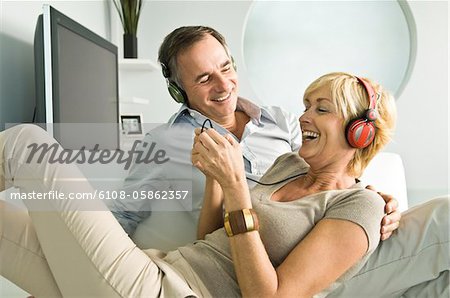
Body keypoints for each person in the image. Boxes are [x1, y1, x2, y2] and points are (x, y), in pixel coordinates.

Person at [0, 73, 447, 297]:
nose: (305, 117)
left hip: (170, 293)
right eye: (306, 105)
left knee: (26, 144)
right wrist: (216, 180)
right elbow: (211, 238)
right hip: (157, 268)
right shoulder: (289, 164)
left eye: (322, 109)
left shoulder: (360, 207)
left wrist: (236, 187)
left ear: (359, 133)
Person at [111, 26, 400, 251]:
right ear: (178, 91)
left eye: (225, 68)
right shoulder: (161, 143)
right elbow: (122, 217)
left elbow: (326, 173)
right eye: (204, 79)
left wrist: (370, 198)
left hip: (311, 247)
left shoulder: (282, 122)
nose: (224, 85)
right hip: (233, 256)